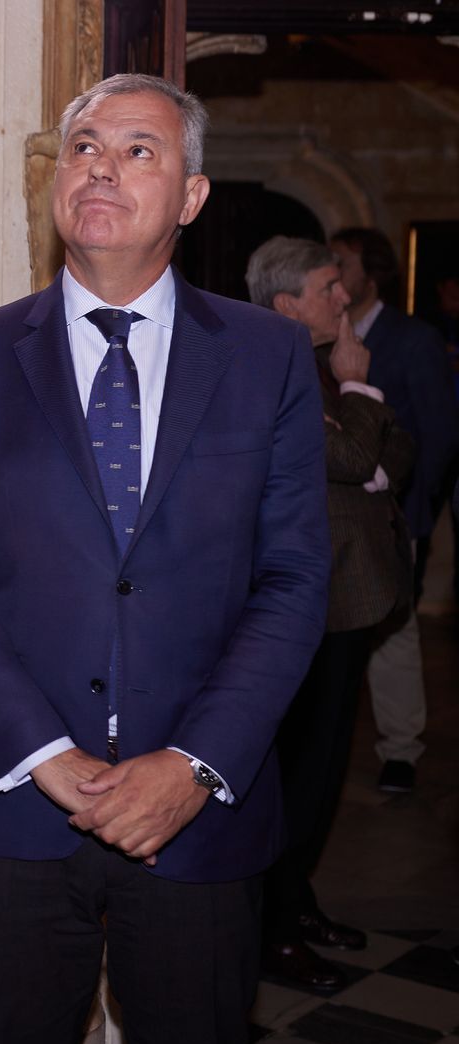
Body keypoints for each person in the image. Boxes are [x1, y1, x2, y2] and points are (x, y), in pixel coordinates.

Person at [0, 74, 330, 1044]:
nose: (102, 165)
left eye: (140, 150)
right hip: (15, 805)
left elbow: (296, 576)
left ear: (190, 197)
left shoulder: (266, 357)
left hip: (197, 815)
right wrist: (43, 755)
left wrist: (192, 764)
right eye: (85, 145)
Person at [247, 235, 414, 989]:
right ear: (287, 305)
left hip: (348, 597)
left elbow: (394, 453)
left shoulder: (314, 364)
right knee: (296, 777)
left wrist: (361, 435)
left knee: (321, 774)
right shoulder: (273, 370)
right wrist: (359, 394)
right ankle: (272, 932)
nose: (344, 298)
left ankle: (297, 903)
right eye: (327, 288)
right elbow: (351, 461)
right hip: (309, 604)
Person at [329, 228, 457, 794]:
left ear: (370, 275)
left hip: (394, 513)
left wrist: (414, 508)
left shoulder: (413, 339)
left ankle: (401, 750)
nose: (333, 272)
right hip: (333, 521)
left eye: (342, 263)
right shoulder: (318, 333)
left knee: (395, 633)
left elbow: (439, 433)